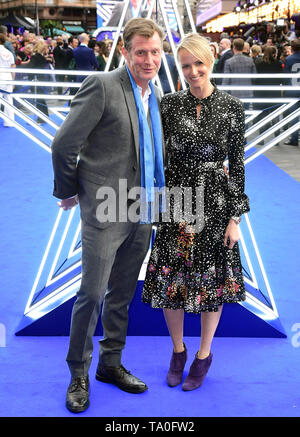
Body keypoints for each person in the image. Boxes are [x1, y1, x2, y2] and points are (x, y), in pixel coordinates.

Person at [51, 17, 165, 413]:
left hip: (143, 209)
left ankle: (110, 364)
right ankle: (78, 372)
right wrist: (68, 191)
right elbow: (64, 144)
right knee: (92, 294)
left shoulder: (156, 94)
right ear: (125, 51)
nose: (148, 59)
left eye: (154, 52)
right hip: (105, 207)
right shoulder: (102, 86)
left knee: (122, 295)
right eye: (140, 52)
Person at [142, 33, 250, 391]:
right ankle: (178, 351)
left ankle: (204, 354)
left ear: (212, 61)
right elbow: (154, 155)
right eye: (186, 65)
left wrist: (235, 220)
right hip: (177, 204)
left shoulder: (233, 108)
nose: (192, 72)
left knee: (211, 284)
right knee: (171, 281)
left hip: (216, 206)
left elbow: (238, 166)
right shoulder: (169, 105)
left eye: (198, 64)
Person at [283, 38, 300, 146]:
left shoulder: (289, 59)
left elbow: (285, 77)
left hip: (293, 90)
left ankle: (294, 138)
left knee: (294, 116)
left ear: (292, 48)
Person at [0, 33, 16, 127]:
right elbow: (12, 67)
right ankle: (9, 122)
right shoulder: (9, 53)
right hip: (8, 77)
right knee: (8, 100)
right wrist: (13, 81)